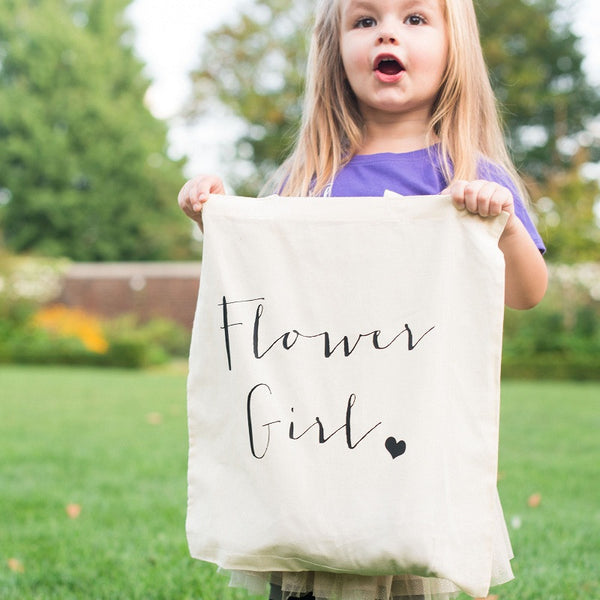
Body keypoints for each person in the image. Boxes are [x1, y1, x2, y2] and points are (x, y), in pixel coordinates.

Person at [179, 0, 548, 598]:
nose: (389, 34)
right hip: (315, 456)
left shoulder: (468, 177)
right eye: (366, 20)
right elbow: (267, 286)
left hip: (417, 463)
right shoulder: (305, 180)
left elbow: (528, 294)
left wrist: (499, 225)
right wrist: (217, 219)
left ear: (456, 45)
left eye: (415, 19)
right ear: (335, 47)